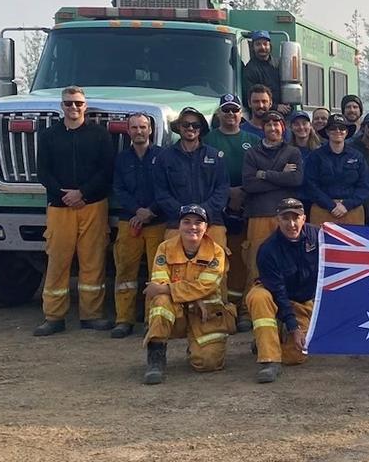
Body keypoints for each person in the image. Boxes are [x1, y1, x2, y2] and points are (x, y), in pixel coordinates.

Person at [34, 86, 115, 336]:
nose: (73, 108)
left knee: (93, 261)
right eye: (69, 103)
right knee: (58, 260)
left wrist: (83, 193)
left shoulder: (100, 136)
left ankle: (92, 315)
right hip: (59, 207)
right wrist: (63, 195)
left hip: (93, 205)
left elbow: (106, 170)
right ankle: (54, 316)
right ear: (62, 106)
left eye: (78, 103)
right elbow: (43, 171)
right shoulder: (48, 136)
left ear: (85, 106)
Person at [142, 204, 233, 384]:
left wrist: (192, 295)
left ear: (206, 228)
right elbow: (159, 282)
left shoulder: (217, 252)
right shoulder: (165, 248)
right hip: (177, 312)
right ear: (179, 226)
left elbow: (205, 287)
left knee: (208, 363)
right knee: (161, 302)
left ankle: (195, 346)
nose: (193, 227)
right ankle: (156, 357)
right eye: (187, 222)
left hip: (206, 313)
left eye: (198, 222)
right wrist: (191, 294)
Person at [245, 198, 318, 383]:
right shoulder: (268, 250)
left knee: (297, 356)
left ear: (304, 218)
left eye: (296, 218)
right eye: (286, 218)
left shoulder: (318, 237)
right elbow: (278, 291)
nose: (291, 224)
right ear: (277, 220)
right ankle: (269, 361)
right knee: (259, 296)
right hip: (275, 296)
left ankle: (268, 341)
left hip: (302, 301)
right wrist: (293, 327)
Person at [241, 110, 304, 314]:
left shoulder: (292, 152)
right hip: (258, 214)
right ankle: (251, 309)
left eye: (277, 125)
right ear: (262, 128)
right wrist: (280, 177)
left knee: (288, 262)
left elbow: (295, 180)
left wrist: (265, 175)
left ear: (283, 128)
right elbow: (249, 184)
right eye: (268, 125)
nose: (273, 128)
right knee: (255, 263)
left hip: (286, 216)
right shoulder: (252, 153)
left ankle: (287, 308)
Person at [153, 107, 230, 272]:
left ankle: (217, 300)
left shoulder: (215, 156)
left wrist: (203, 213)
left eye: (195, 125)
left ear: (201, 129)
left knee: (217, 273)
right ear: (179, 127)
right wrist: (184, 214)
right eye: (186, 124)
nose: (190, 128)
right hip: (176, 223)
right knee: (173, 270)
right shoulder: (164, 158)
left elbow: (222, 189)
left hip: (212, 223)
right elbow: (161, 192)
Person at [204, 93, 258, 326]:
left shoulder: (252, 140)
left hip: (248, 206)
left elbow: (258, 171)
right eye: (225, 110)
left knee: (246, 259)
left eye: (234, 110)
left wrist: (243, 192)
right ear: (219, 114)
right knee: (220, 260)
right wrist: (227, 193)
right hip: (217, 209)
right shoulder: (208, 139)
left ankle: (245, 310)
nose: (230, 115)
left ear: (241, 114)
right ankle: (223, 311)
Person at [110, 112, 162, 338]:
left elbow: (167, 188)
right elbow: (118, 189)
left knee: (157, 273)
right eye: (134, 127)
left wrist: (150, 211)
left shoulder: (162, 157)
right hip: (129, 222)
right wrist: (136, 211)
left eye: (143, 127)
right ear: (128, 131)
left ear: (150, 130)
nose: (139, 131)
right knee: (125, 272)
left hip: (157, 221)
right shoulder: (121, 159)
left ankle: (153, 320)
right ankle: (124, 320)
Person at [304, 116, 369, 225]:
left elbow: (365, 186)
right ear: (327, 132)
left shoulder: (357, 156)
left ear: (346, 132)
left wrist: (347, 205)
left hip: (352, 211)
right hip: (322, 210)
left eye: (341, 128)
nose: (337, 131)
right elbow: (310, 185)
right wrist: (330, 205)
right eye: (333, 128)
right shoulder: (316, 156)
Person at [241, 30, 281, 109]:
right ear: (253, 47)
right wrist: (276, 107)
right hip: (262, 113)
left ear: (270, 46)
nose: (262, 47)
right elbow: (248, 97)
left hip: (284, 111)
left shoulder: (279, 64)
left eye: (265, 44)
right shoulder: (250, 69)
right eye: (258, 44)